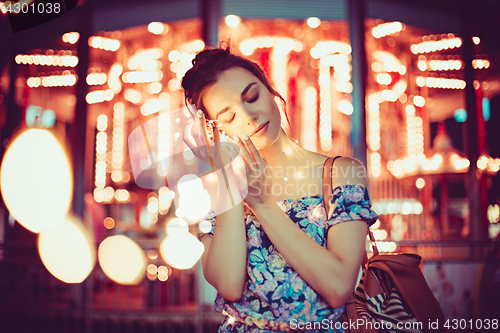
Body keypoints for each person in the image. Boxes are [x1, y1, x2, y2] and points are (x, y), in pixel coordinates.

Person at [181, 45, 378, 333]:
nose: (249, 116)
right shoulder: (218, 189)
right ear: (215, 131)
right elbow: (229, 285)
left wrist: (261, 204)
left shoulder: (341, 172)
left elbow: (338, 287)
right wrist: (231, 182)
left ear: (271, 90)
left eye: (252, 97)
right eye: (228, 117)